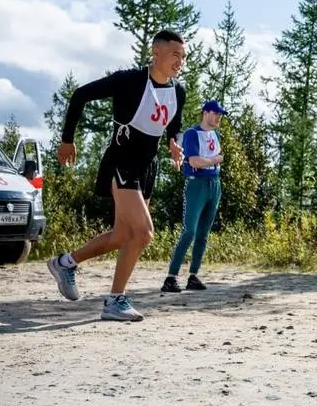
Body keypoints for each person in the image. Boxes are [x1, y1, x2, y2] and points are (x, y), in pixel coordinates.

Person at [48, 29, 187, 322]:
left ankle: (65, 263)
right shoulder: (129, 81)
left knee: (124, 235)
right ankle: (115, 300)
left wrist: (175, 142)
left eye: (183, 57)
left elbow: (175, 122)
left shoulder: (178, 91)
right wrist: (67, 140)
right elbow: (80, 95)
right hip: (122, 160)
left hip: (149, 167)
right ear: (156, 52)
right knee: (145, 233)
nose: (180, 62)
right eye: (175, 55)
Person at [161, 99, 226, 293]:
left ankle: (193, 275)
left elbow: (210, 160)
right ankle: (171, 277)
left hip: (214, 183)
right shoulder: (192, 134)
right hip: (196, 184)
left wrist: (211, 162)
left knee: (203, 232)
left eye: (219, 114)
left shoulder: (215, 134)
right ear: (205, 113)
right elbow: (195, 161)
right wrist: (213, 160)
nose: (218, 117)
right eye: (215, 113)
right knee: (189, 230)